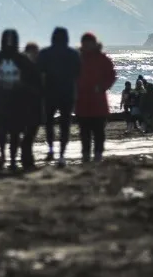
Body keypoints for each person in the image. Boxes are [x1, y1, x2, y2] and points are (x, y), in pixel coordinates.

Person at [0, 29, 37, 172]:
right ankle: (8, 158)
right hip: (12, 100)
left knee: (6, 130)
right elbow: (32, 74)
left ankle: (7, 157)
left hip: (6, 99)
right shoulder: (20, 58)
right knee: (11, 131)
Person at [37, 27, 81, 166]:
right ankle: (61, 154)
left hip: (49, 93)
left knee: (49, 123)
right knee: (65, 125)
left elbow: (39, 72)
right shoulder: (73, 54)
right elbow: (78, 72)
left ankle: (50, 149)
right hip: (67, 93)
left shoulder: (45, 53)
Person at [75, 33, 117, 163]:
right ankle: (86, 154)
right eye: (84, 43)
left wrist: (102, 87)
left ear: (94, 43)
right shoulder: (78, 59)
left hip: (98, 102)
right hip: (82, 102)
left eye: (89, 43)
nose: (86, 45)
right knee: (84, 132)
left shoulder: (102, 58)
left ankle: (98, 154)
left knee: (98, 131)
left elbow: (112, 75)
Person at [21, 42, 43, 171]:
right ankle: (27, 160)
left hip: (36, 103)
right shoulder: (25, 67)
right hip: (26, 104)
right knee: (29, 133)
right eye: (33, 52)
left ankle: (27, 159)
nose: (35, 55)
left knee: (31, 132)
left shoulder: (37, 66)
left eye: (36, 52)